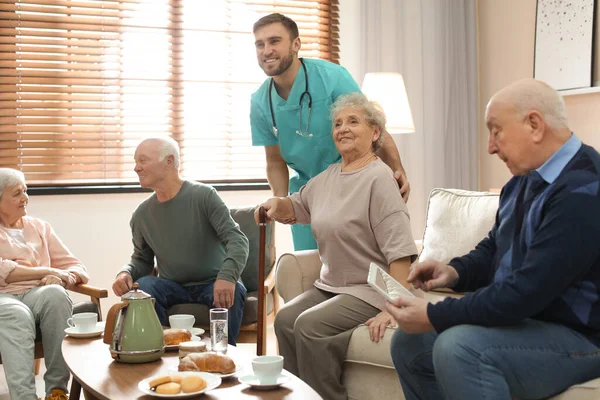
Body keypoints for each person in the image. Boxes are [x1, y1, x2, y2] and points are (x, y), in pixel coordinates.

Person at [386, 78, 600, 400]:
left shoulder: (584, 188)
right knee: (408, 342)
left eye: (496, 130)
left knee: (458, 348)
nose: (490, 146)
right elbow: (495, 248)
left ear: (534, 125)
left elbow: (526, 292)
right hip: (530, 323)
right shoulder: (522, 181)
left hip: (582, 337)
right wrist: (455, 272)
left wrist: (434, 315)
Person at [256, 93, 418, 400]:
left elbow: (400, 251)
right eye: (338, 123)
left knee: (309, 325)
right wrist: (273, 204)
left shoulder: (379, 178)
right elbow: (296, 205)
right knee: (286, 319)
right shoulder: (328, 177)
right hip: (333, 284)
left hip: (370, 288)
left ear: (375, 133)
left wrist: (393, 308)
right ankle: (298, 396)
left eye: (353, 121)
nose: (342, 128)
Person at [250, 13, 411, 251]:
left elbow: (370, 124)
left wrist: (397, 168)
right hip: (306, 194)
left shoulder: (331, 77)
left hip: (351, 181)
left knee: (359, 261)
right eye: (260, 44)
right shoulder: (260, 101)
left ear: (296, 44)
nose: (266, 50)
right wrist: (282, 200)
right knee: (309, 267)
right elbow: (274, 160)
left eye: (274, 41)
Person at [111, 137, 249, 345]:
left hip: (212, 283)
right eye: (135, 161)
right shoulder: (141, 215)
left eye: (143, 160)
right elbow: (142, 259)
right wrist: (126, 273)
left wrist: (228, 277)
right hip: (171, 286)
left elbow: (238, 240)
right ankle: (158, 350)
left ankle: (221, 353)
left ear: (169, 161)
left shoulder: (204, 196)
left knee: (235, 289)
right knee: (145, 286)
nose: (136, 168)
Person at [0, 168, 89, 400]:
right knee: (16, 314)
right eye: (17, 193)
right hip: (3, 297)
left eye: (25, 191)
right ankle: (24, 396)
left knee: (55, 295)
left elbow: (76, 266)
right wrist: (49, 270)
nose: (25, 198)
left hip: (36, 293)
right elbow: (4, 271)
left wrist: (62, 277)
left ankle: (57, 391)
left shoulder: (40, 227)